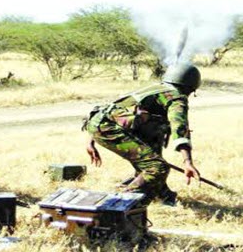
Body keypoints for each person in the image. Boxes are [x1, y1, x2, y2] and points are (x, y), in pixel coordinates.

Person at [84, 63, 202, 206]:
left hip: (99, 124)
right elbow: (180, 128)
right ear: (190, 88)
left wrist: (90, 140)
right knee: (157, 167)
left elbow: (107, 111)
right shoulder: (176, 98)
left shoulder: (153, 89)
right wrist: (187, 162)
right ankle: (124, 203)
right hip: (109, 128)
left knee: (151, 157)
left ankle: (163, 194)